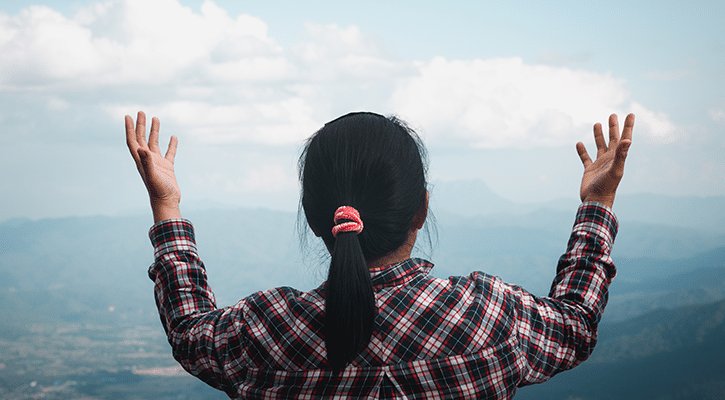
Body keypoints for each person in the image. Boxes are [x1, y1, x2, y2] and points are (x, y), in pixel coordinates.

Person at [125, 110, 634, 399]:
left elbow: (191, 334)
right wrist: (597, 203)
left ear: (314, 218)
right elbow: (575, 325)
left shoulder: (267, 333)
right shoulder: (489, 317)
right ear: (422, 209)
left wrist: (166, 207)